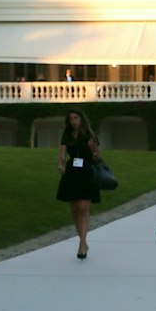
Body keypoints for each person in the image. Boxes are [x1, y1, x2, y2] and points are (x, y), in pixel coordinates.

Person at [55, 108, 102, 259]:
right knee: (75, 208)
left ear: (81, 119)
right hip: (72, 173)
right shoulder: (67, 134)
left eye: (76, 118)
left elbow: (98, 158)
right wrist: (60, 164)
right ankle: (82, 240)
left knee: (83, 207)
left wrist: (93, 150)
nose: (74, 121)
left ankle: (82, 243)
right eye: (71, 119)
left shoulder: (89, 134)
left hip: (86, 172)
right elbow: (62, 153)